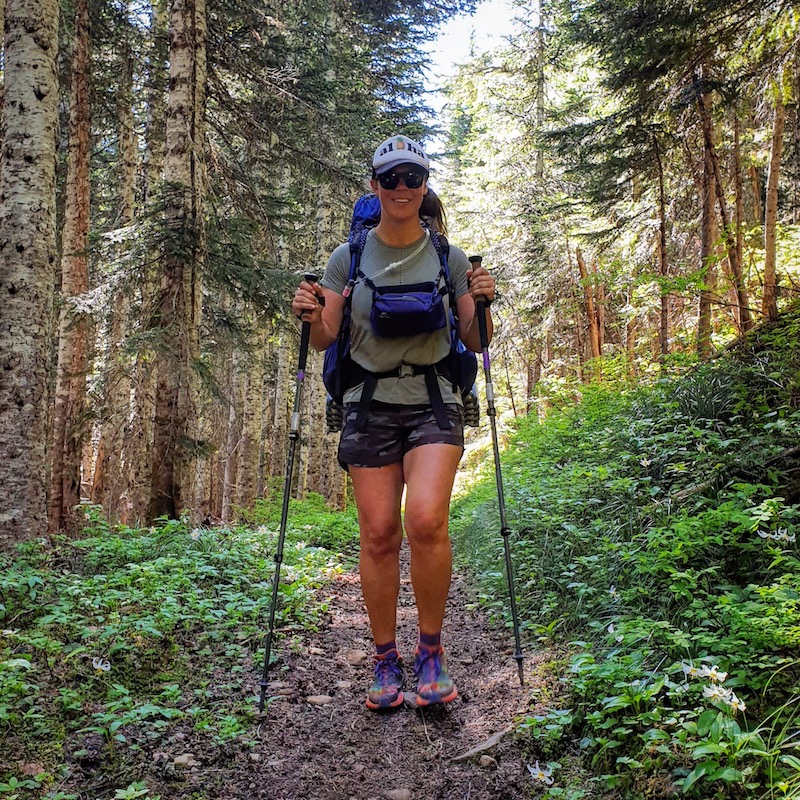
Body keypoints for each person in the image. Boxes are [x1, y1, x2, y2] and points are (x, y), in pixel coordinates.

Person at [291, 134, 496, 710]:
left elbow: (476, 342)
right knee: (380, 532)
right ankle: (386, 661)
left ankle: (431, 652)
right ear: (375, 186)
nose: (402, 187)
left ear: (425, 184)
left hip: (435, 399)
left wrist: (483, 300)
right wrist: (309, 313)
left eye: (412, 177)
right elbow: (325, 338)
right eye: (391, 178)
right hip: (369, 400)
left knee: (426, 519)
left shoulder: (450, 258)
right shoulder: (347, 259)